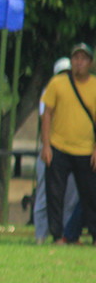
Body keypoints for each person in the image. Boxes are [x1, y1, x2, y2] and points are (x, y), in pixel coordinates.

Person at [40, 42, 96, 244]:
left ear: (90, 63)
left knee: (90, 196)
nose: (79, 62)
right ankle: (57, 236)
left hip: (85, 150)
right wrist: (46, 145)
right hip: (58, 147)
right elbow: (47, 114)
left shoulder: (94, 86)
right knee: (55, 195)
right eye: (75, 58)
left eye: (83, 59)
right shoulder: (58, 83)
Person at [33, 56, 83, 243]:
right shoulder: (50, 91)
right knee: (44, 195)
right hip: (52, 148)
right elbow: (46, 117)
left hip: (73, 150)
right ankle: (41, 235)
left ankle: (64, 236)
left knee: (70, 197)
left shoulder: (81, 91)